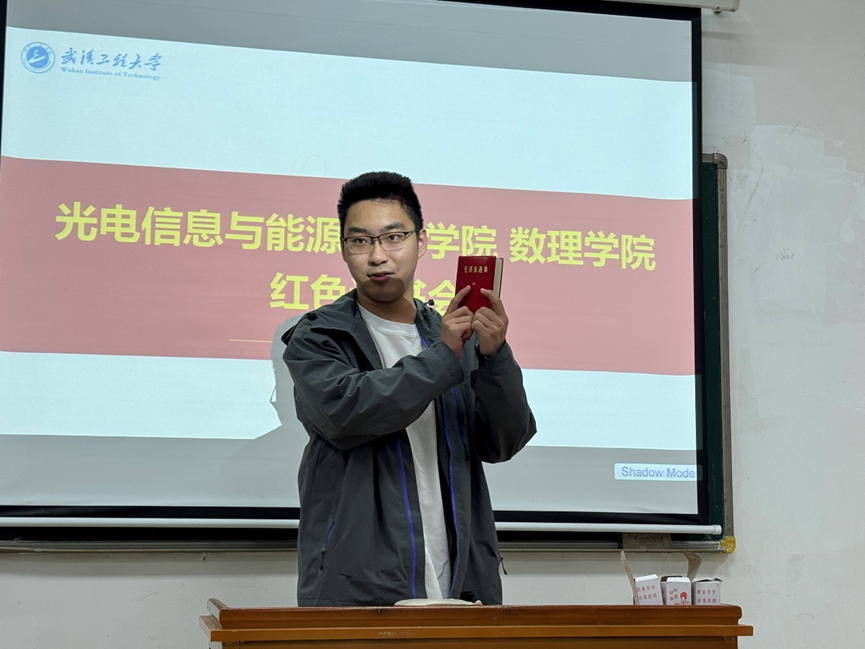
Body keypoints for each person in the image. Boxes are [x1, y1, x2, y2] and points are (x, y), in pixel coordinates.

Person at [281, 171, 536, 606]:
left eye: (393, 237)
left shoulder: (450, 334)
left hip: (461, 578)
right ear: (343, 249)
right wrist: (444, 357)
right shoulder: (319, 336)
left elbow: (501, 442)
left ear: (421, 241)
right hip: (359, 584)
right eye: (359, 241)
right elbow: (346, 414)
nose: (378, 256)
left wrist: (495, 358)